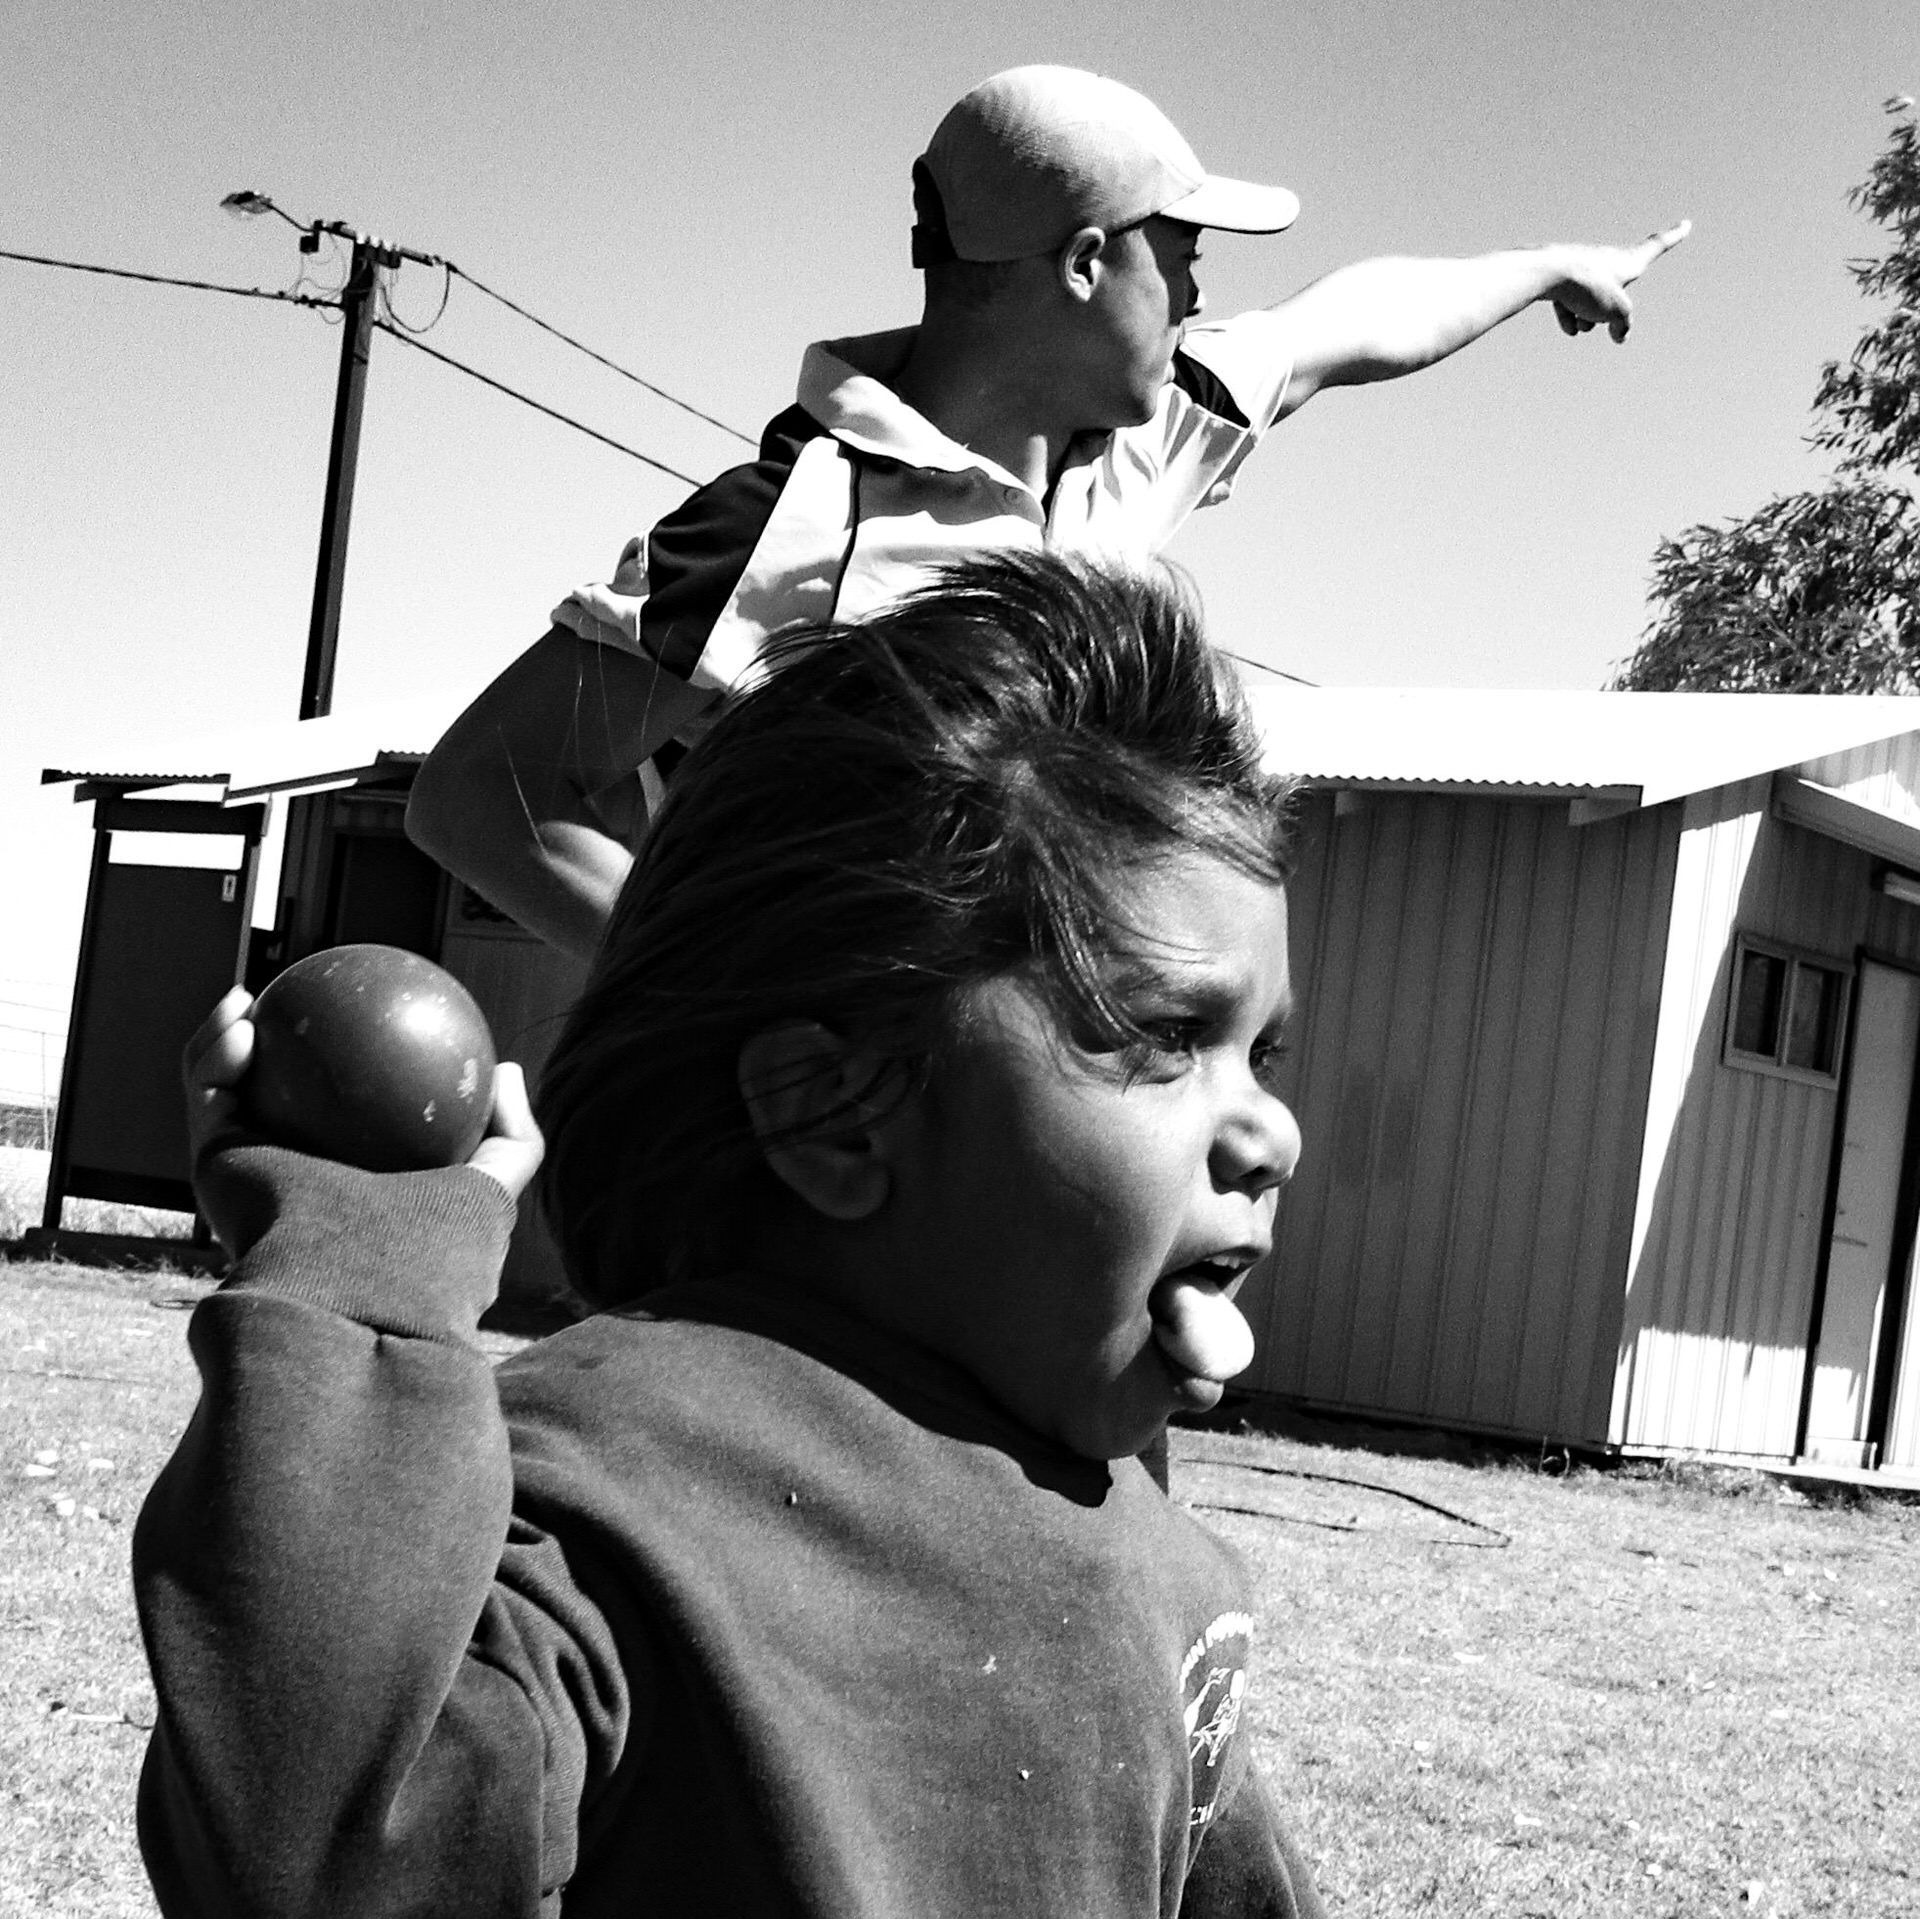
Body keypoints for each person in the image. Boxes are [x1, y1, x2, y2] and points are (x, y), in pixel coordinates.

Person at [135, 550, 1325, 1917]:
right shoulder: (603, 1491)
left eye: (1264, 1053)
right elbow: (322, 1860)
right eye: (1167, 1038)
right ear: (834, 1112)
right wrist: (360, 1276)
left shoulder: (1163, 1566)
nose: (1269, 1132)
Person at [405, 63, 1689, 963]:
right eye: (1179, 248)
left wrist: (1541, 269)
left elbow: (1337, 327)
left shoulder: (1149, 433)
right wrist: (737, 994)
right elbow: (480, 794)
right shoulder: (792, 521)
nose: (1195, 286)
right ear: (1085, 262)